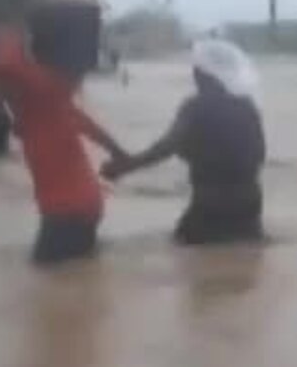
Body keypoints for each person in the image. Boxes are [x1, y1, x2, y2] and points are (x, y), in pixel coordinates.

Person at [0, 25, 129, 266]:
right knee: (75, 279)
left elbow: (4, 67)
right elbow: (97, 132)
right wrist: (120, 155)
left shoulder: (37, 95)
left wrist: (12, 30)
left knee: (44, 279)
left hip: (64, 212)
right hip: (89, 206)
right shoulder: (56, 102)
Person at [102, 39, 265, 246]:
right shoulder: (247, 107)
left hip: (210, 201)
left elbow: (167, 147)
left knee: (191, 260)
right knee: (245, 259)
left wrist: (124, 167)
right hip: (249, 200)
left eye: (197, 70)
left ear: (206, 75)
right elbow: (259, 153)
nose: (194, 75)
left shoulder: (196, 107)